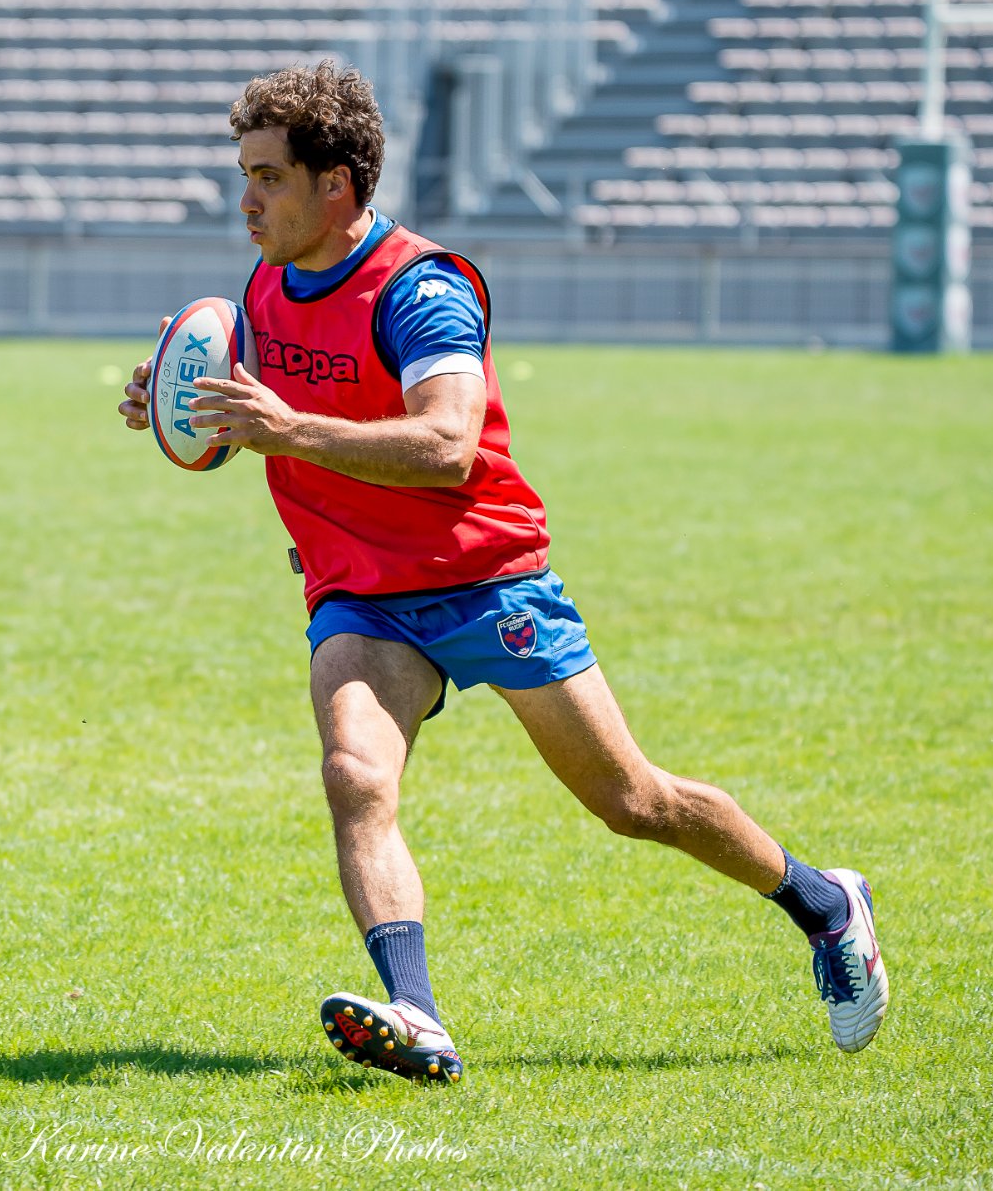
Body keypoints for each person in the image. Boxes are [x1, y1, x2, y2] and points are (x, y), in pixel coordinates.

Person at [117, 61, 887, 1084]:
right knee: (354, 776)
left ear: (335, 186)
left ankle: (822, 904)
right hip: (360, 593)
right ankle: (417, 1013)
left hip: (484, 577)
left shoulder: (421, 290)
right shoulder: (263, 284)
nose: (244, 199)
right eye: (243, 174)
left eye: (266, 177)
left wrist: (287, 428)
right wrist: (175, 399)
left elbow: (447, 442)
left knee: (630, 801)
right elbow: (253, 394)